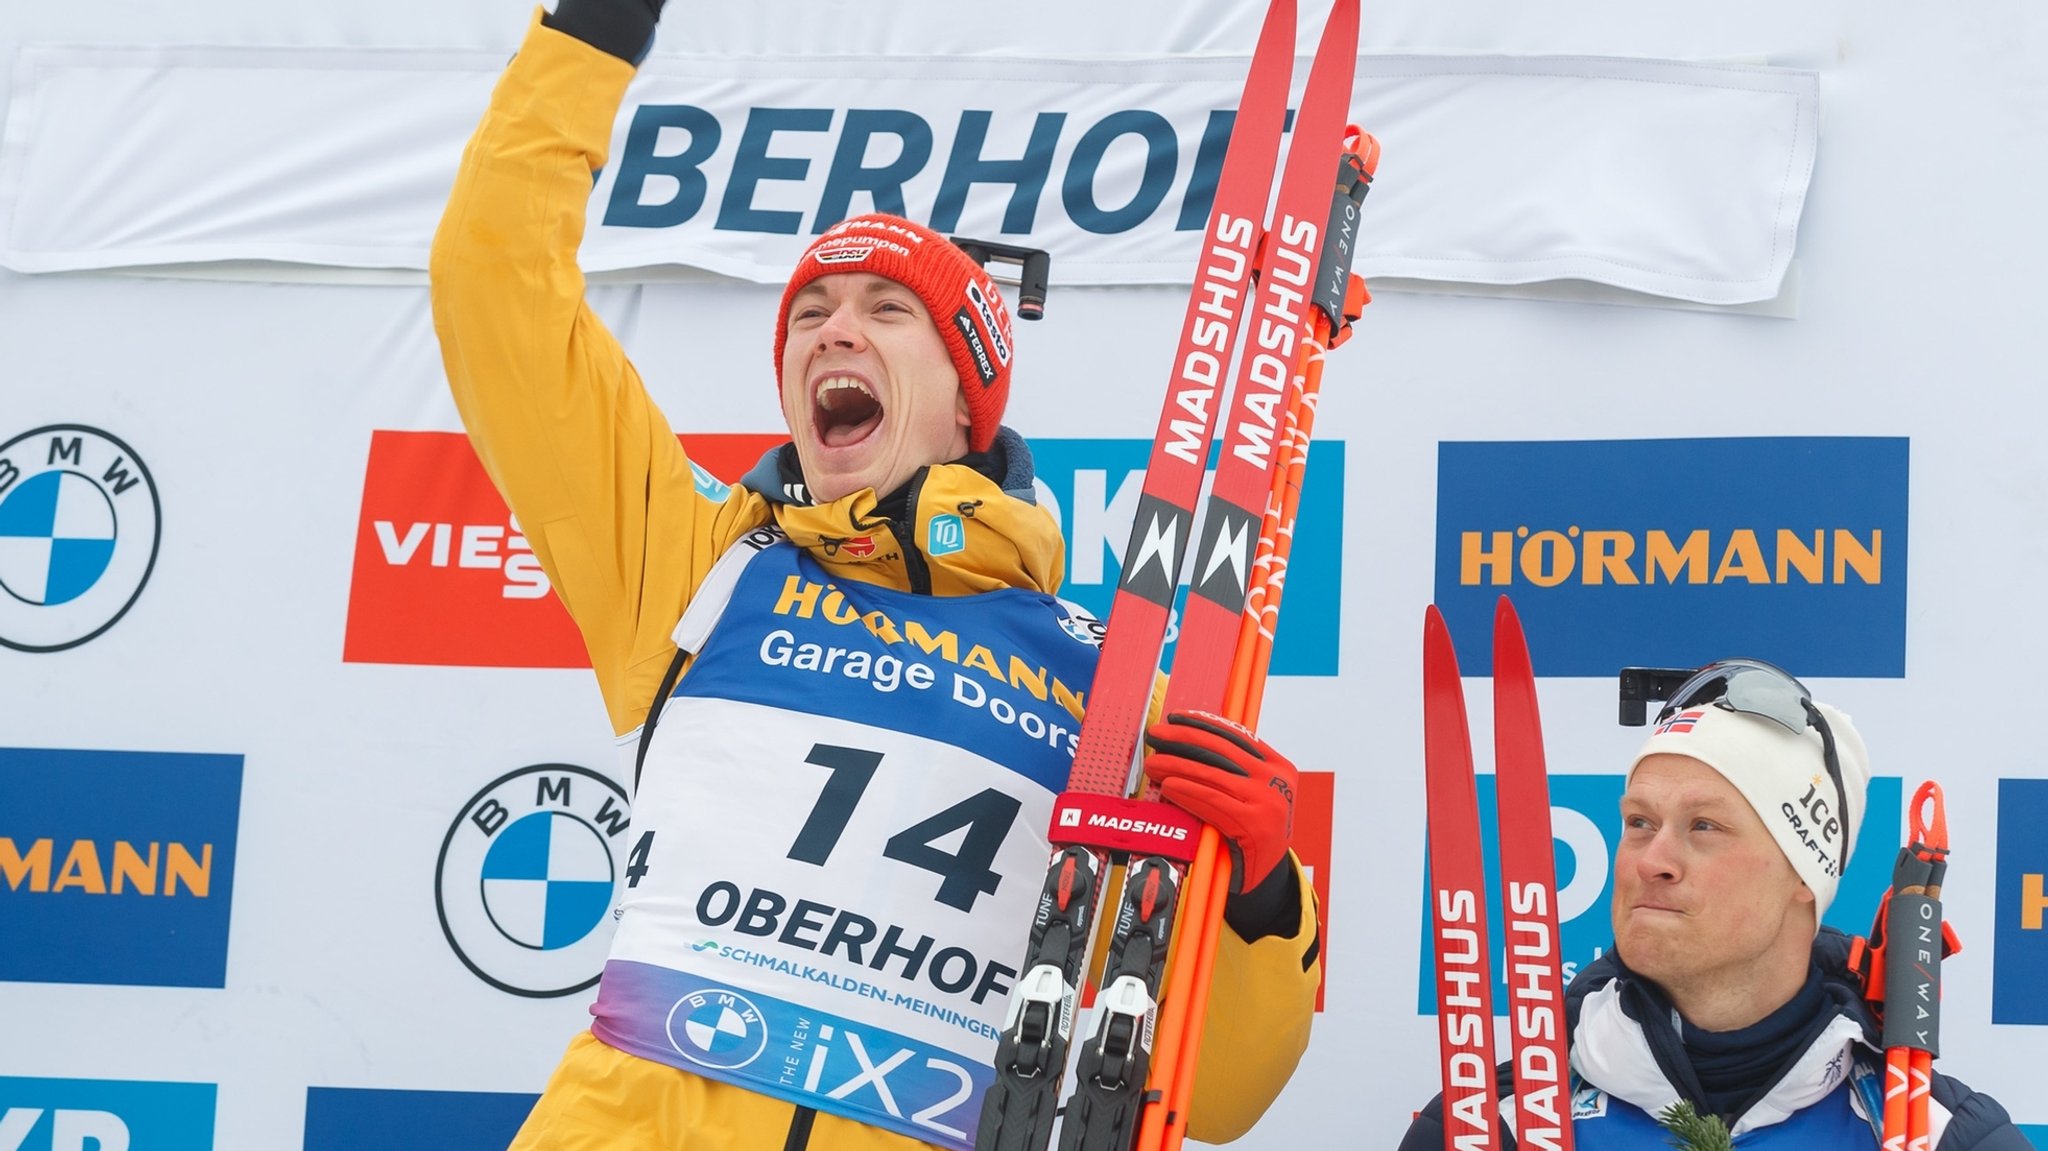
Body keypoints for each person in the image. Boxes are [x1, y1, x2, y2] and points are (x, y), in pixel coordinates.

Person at [428, 2, 1322, 1149]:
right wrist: (593, 30)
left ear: (965, 399)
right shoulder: (700, 558)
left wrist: (1257, 888)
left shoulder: (1102, 678)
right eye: (807, 313)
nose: (830, 330)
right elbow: (490, 282)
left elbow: (1224, 1095)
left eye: (884, 309)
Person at [1398, 661, 2027, 1149]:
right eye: (1640, 822)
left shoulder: (1941, 1137)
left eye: (1704, 826)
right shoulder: (1491, 1125)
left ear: (1802, 872)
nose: (1652, 860)